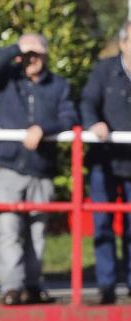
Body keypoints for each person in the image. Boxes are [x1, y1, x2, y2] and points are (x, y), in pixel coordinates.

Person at [0, 34, 75, 307]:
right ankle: (12, 287)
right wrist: (15, 49)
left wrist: (43, 128)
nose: (32, 59)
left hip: (40, 168)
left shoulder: (58, 85)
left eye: (38, 53)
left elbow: (69, 116)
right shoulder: (5, 79)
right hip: (7, 165)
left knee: (37, 232)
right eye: (28, 54)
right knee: (8, 228)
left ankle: (32, 285)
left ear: (47, 55)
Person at [82, 21, 131, 306]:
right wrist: (93, 123)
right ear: (123, 44)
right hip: (105, 160)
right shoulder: (103, 71)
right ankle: (106, 284)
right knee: (102, 222)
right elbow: (87, 101)